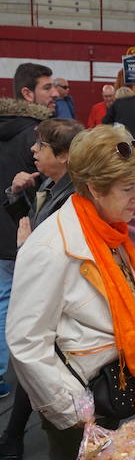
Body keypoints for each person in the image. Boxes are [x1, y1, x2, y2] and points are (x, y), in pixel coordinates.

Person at [6, 125, 135, 460]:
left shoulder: (111, 233)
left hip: (118, 394)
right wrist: (74, 413)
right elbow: (26, 341)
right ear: (94, 188)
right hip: (84, 407)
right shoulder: (51, 247)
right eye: (128, 190)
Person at [0, 118, 84, 460]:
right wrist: (17, 195)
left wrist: (28, 247)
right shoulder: (51, 183)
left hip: (60, 292)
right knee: (36, 358)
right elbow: (30, 223)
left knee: (41, 359)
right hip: (50, 288)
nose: (33, 151)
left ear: (64, 156)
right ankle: (14, 435)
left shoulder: (73, 196)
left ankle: (22, 436)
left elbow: (48, 243)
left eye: (41, 147)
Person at [0, 62, 59, 399]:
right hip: (23, 229)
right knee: (24, 307)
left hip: (9, 224)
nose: (55, 94)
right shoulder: (37, 134)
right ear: (27, 93)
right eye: (48, 88)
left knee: (4, 298)